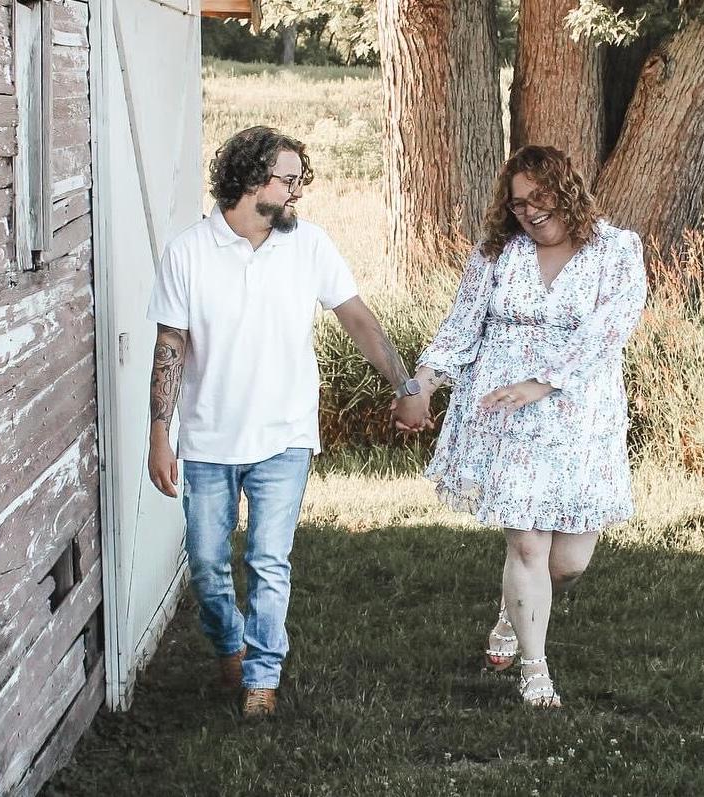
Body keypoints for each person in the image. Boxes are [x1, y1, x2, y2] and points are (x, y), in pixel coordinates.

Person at [147, 126, 419, 718]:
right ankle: (229, 644)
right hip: (209, 438)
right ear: (249, 180)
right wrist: (159, 435)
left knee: (269, 562)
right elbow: (170, 345)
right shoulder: (187, 252)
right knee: (206, 564)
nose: (297, 193)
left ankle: (262, 678)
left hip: (285, 436)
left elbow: (358, 319)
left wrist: (405, 385)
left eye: (299, 181)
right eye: (287, 181)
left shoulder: (309, 245)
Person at [393, 145, 648, 707]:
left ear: (567, 190)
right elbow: (461, 330)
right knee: (528, 544)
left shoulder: (616, 250)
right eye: (518, 203)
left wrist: (543, 382)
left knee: (568, 563)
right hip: (504, 414)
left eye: (539, 197)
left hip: (578, 418)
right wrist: (423, 385)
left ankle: (511, 615)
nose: (530, 211)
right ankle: (536, 674)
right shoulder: (497, 252)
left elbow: (610, 330)